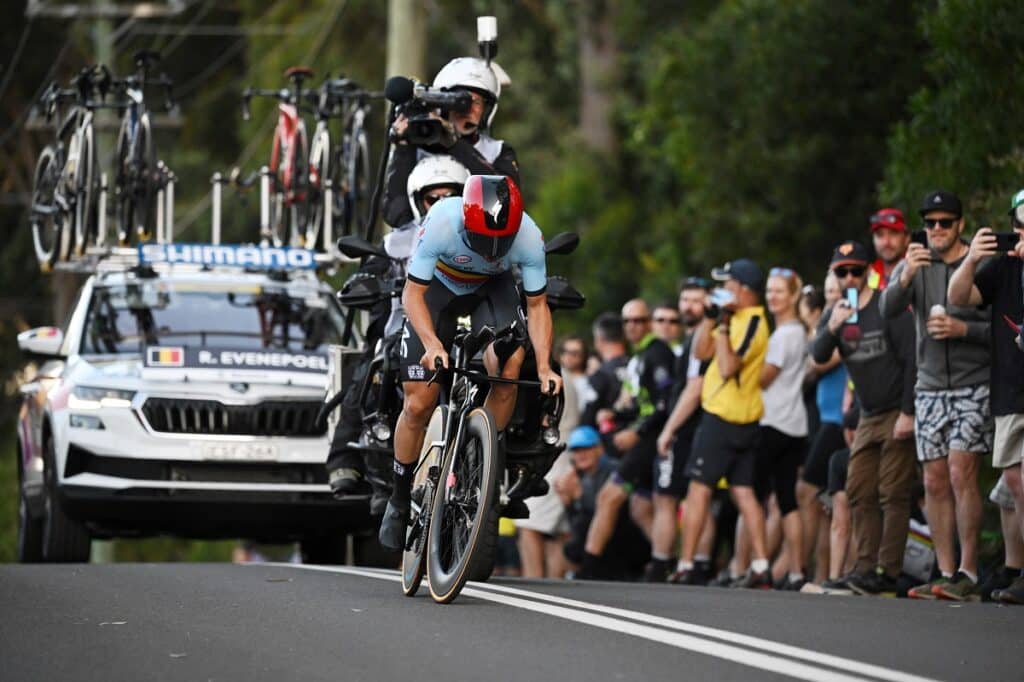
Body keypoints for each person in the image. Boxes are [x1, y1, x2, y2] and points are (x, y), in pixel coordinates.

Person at [377, 175, 561, 549]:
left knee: (510, 368)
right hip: (439, 289)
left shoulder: (528, 234)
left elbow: (538, 305)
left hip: (491, 291)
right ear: (466, 223)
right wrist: (431, 344)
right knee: (419, 401)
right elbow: (413, 296)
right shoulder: (442, 222)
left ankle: (480, 458)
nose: (493, 250)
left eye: (501, 242)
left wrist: (544, 367)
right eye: (482, 241)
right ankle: (398, 498)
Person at [326, 156, 471, 508]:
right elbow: (369, 270)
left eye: (450, 196)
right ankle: (346, 457)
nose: (440, 205)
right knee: (370, 367)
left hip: (465, 330)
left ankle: (509, 452)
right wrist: (366, 279)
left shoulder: (480, 235)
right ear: (416, 201)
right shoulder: (397, 243)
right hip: (404, 329)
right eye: (431, 198)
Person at [880, 189, 992, 601]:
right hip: (928, 387)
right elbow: (887, 309)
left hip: (972, 382)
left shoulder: (978, 261)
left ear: (960, 224)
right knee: (934, 479)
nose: (937, 230)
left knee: (963, 471)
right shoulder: (917, 263)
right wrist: (906, 274)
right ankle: (945, 573)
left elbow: (1003, 328)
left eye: (946, 222)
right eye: (930, 224)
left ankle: (970, 572)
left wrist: (966, 331)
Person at [811, 240, 917, 596]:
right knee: (858, 489)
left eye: (857, 270)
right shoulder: (836, 312)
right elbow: (818, 354)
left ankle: (888, 571)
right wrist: (833, 325)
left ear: (868, 272)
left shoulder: (888, 306)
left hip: (895, 410)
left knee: (893, 492)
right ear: (834, 275)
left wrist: (908, 412)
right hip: (868, 415)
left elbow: (910, 361)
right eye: (843, 272)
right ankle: (865, 567)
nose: (850, 277)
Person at [947, 187, 1024, 605]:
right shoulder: (1003, 268)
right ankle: (1015, 570)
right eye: (1019, 227)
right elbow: (958, 298)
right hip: (1010, 388)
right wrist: (973, 257)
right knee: (1012, 480)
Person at [675, 258, 772, 588]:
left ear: (743, 290)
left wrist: (726, 324)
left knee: (699, 491)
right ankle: (761, 565)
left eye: (728, 285)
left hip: (726, 418)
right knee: (743, 492)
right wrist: (710, 318)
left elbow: (729, 367)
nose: (723, 290)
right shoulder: (732, 315)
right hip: (730, 416)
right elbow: (701, 353)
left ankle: (686, 563)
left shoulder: (754, 321)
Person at [577, 299, 677, 581]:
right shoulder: (639, 357)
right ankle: (669, 562)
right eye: (627, 321)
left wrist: (637, 432)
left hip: (653, 439)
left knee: (609, 497)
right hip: (646, 436)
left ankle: (588, 568)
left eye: (639, 321)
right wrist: (615, 412)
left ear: (650, 323)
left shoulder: (658, 353)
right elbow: (638, 403)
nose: (633, 326)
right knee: (641, 507)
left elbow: (664, 403)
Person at [383, 57, 520, 229]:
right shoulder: (416, 144)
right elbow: (396, 216)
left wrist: (455, 146)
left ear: (487, 110)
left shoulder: (497, 151)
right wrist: (404, 149)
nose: (466, 109)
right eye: (458, 100)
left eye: (476, 102)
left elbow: (508, 206)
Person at [755, 267, 810, 590]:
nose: (772, 297)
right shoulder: (800, 332)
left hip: (773, 421)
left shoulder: (782, 336)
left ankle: (757, 565)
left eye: (779, 291)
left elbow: (763, 378)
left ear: (792, 297)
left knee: (748, 492)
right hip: (795, 424)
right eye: (769, 290)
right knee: (787, 500)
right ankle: (796, 571)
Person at [659, 277, 717, 584]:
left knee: (687, 497)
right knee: (691, 497)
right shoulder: (691, 338)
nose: (689, 306)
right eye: (685, 300)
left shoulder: (703, 337)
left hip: (694, 427)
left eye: (696, 300)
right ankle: (695, 564)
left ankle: (690, 565)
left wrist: (668, 429)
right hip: (693, 427)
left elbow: (695, 388)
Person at [796, 278, 845, 584]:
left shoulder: (846, 324)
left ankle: (801, 570)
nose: (831, 301)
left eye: (837, 294)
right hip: (826, 417)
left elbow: (817, 361)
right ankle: (820, 574)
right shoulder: (829, 326)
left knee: (808, 492)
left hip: (839, 419)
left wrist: (812, 359)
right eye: (827, 294)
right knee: (825, 504)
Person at [557, 426, 650, 580]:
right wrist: (569, 503)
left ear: (599, 449)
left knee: (579, 539)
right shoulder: (585, 478)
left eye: (586, 449)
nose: (581, 455)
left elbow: (601, 518)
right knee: (571, 547)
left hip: (629, 541)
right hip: (612, 543)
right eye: (577, 451)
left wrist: (578, 500)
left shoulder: (613, 470)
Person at [579, 313, 630, 457]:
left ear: (599, 339)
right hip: (636, 442)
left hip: (608, 450)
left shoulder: (601, 375)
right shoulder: (636, 366)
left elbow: (587, 418)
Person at [868, 208, 910, 290]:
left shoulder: (918, 270)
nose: (886, 242)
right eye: (880, 235)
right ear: (873, 240)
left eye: (893, 233)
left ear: (907, 238)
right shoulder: (870, 274)